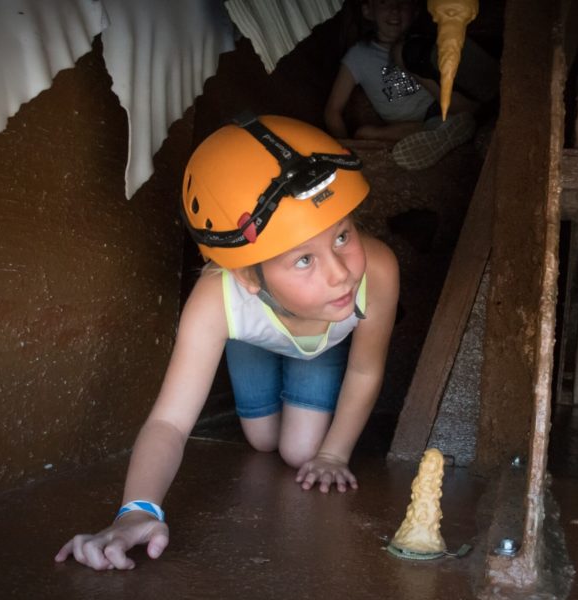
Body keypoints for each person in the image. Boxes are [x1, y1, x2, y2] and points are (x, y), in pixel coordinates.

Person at [54, 113, 400, 571]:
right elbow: (170, 423)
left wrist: (334, 455)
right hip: (255, 340)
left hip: (322, 344)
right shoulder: (217, 298)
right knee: (261, 441)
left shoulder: (377, 269)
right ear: (247, 276)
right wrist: (138, 509)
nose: (339, 274)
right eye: (302, 260)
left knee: (302, 453)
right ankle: (253, 352)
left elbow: (364, 368)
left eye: (342, 235)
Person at [324, 0, 487, 170]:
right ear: (368, 11)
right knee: (363, 133)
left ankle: (458, 118)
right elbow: (333, 110)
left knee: (406, 52)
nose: (395, 9)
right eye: (385, 3)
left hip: (440, 106)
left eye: (403, 2)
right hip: (407, 127)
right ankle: (443, 130)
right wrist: (342, 152)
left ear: (415, 12)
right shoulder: (358, 56)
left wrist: (405, 57)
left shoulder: (423, 41)